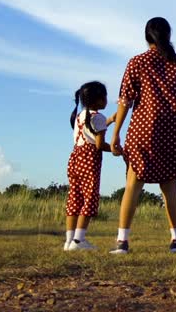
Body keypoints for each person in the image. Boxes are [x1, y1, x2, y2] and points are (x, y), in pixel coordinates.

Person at [109, 17, 176, 254]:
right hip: (173, 128)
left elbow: (125, 101)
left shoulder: (138, 62)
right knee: (170, 186)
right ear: (168, 35)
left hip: (145, 128)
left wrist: (116, 133)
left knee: (133, 185)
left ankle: (122, 241)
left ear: (147, 36)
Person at [64, 81, 113, 251]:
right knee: (89, 198)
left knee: (75, 198)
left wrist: (110, 121)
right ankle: (79, 240)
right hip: (89, 159)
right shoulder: (97, 117)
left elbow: (92, 128)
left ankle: (69, 241)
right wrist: (116, 149)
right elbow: (99, 144)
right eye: (105, 96)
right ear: (99, 99)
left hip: (75, 158)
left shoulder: (81, 116)